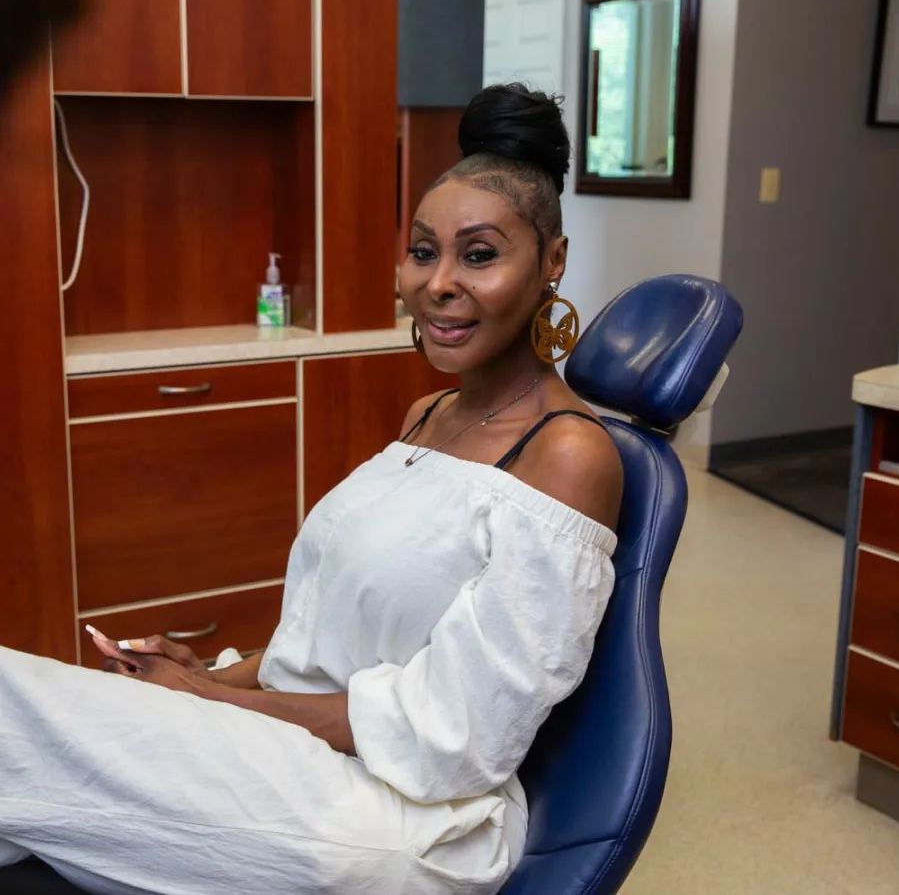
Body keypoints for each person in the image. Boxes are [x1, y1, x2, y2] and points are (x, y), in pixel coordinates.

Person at [0, 83, 623, 895]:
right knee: (33, 716)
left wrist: (211, 705)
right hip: (298, 756)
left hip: (406, 820)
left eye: (479, 254)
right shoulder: (425, 414)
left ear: (552, 262)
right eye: (423, 250)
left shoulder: (567, 456)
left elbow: (460, 740)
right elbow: (333, 636)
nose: (437, 282)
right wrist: (210, 678)